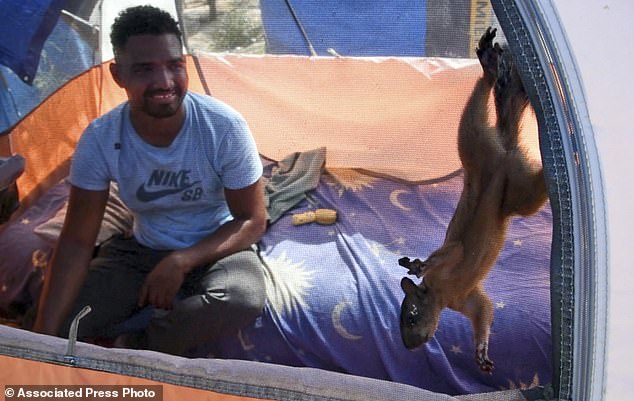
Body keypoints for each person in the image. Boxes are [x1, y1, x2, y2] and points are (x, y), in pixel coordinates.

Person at [32, 5, 267, 356]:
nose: (164, 83)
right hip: (141, 250)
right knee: (64, 320)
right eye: (144, 70)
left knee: (241, 298)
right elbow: (78, 241)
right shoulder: (100, 139)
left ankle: (134, 349)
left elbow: (252, 219)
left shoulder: (223, 127)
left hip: (216, 245)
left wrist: (181, 261)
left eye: (174, 66)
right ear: (118, 75)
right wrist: (40, 344)